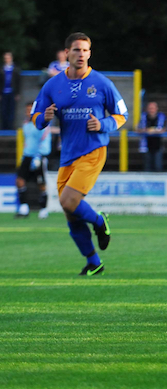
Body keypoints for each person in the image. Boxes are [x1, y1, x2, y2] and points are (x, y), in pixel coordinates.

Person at [32, 32, 127, 276]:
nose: (81, 54)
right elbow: (35, 116)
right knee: (70, 212)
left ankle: (99, 221)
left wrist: (103, 124)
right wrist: (44, 118)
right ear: (67, 53)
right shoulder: (53, 85)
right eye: (76, 49)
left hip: (93, 151)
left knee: (68, 201)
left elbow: (122, 115)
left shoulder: (102, 83)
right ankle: (94, 262)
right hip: (68, 155)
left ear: (90, 53)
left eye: (85, 50)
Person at [17, 102, 52, 219]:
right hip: (27, 156)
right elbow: (27, 141)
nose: (28, 112)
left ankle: (43, 209)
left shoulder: (42, 124)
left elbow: (45, 141)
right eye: (26, 110)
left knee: (41, 182)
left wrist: (39, 155)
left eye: (30, 110)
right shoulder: (25, 124)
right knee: (20, 180)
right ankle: (24, 208)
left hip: (39, 156)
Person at [136, 101, 166, 172]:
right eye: (150, 108)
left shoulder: (161, 117)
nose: (151, 110)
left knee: (158, 166)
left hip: (158, 145)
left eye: (153, 108)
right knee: (147, 167)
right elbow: (138, 129)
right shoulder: (143, 117)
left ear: (156, 109)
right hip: (146, 145)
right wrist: (147, 130)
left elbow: (164, 129)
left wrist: (152, 131)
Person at [2, 51, 21, 130]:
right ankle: (4, 127)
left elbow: (18, 82)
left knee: (11, 110)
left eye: (8, 58)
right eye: (6, 58)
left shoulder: (15, 69)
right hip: (3, 92)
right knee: (3, 110)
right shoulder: (2, 69)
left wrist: (17, 93)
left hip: (12, 92)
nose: (7, 59)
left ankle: (10, 127)